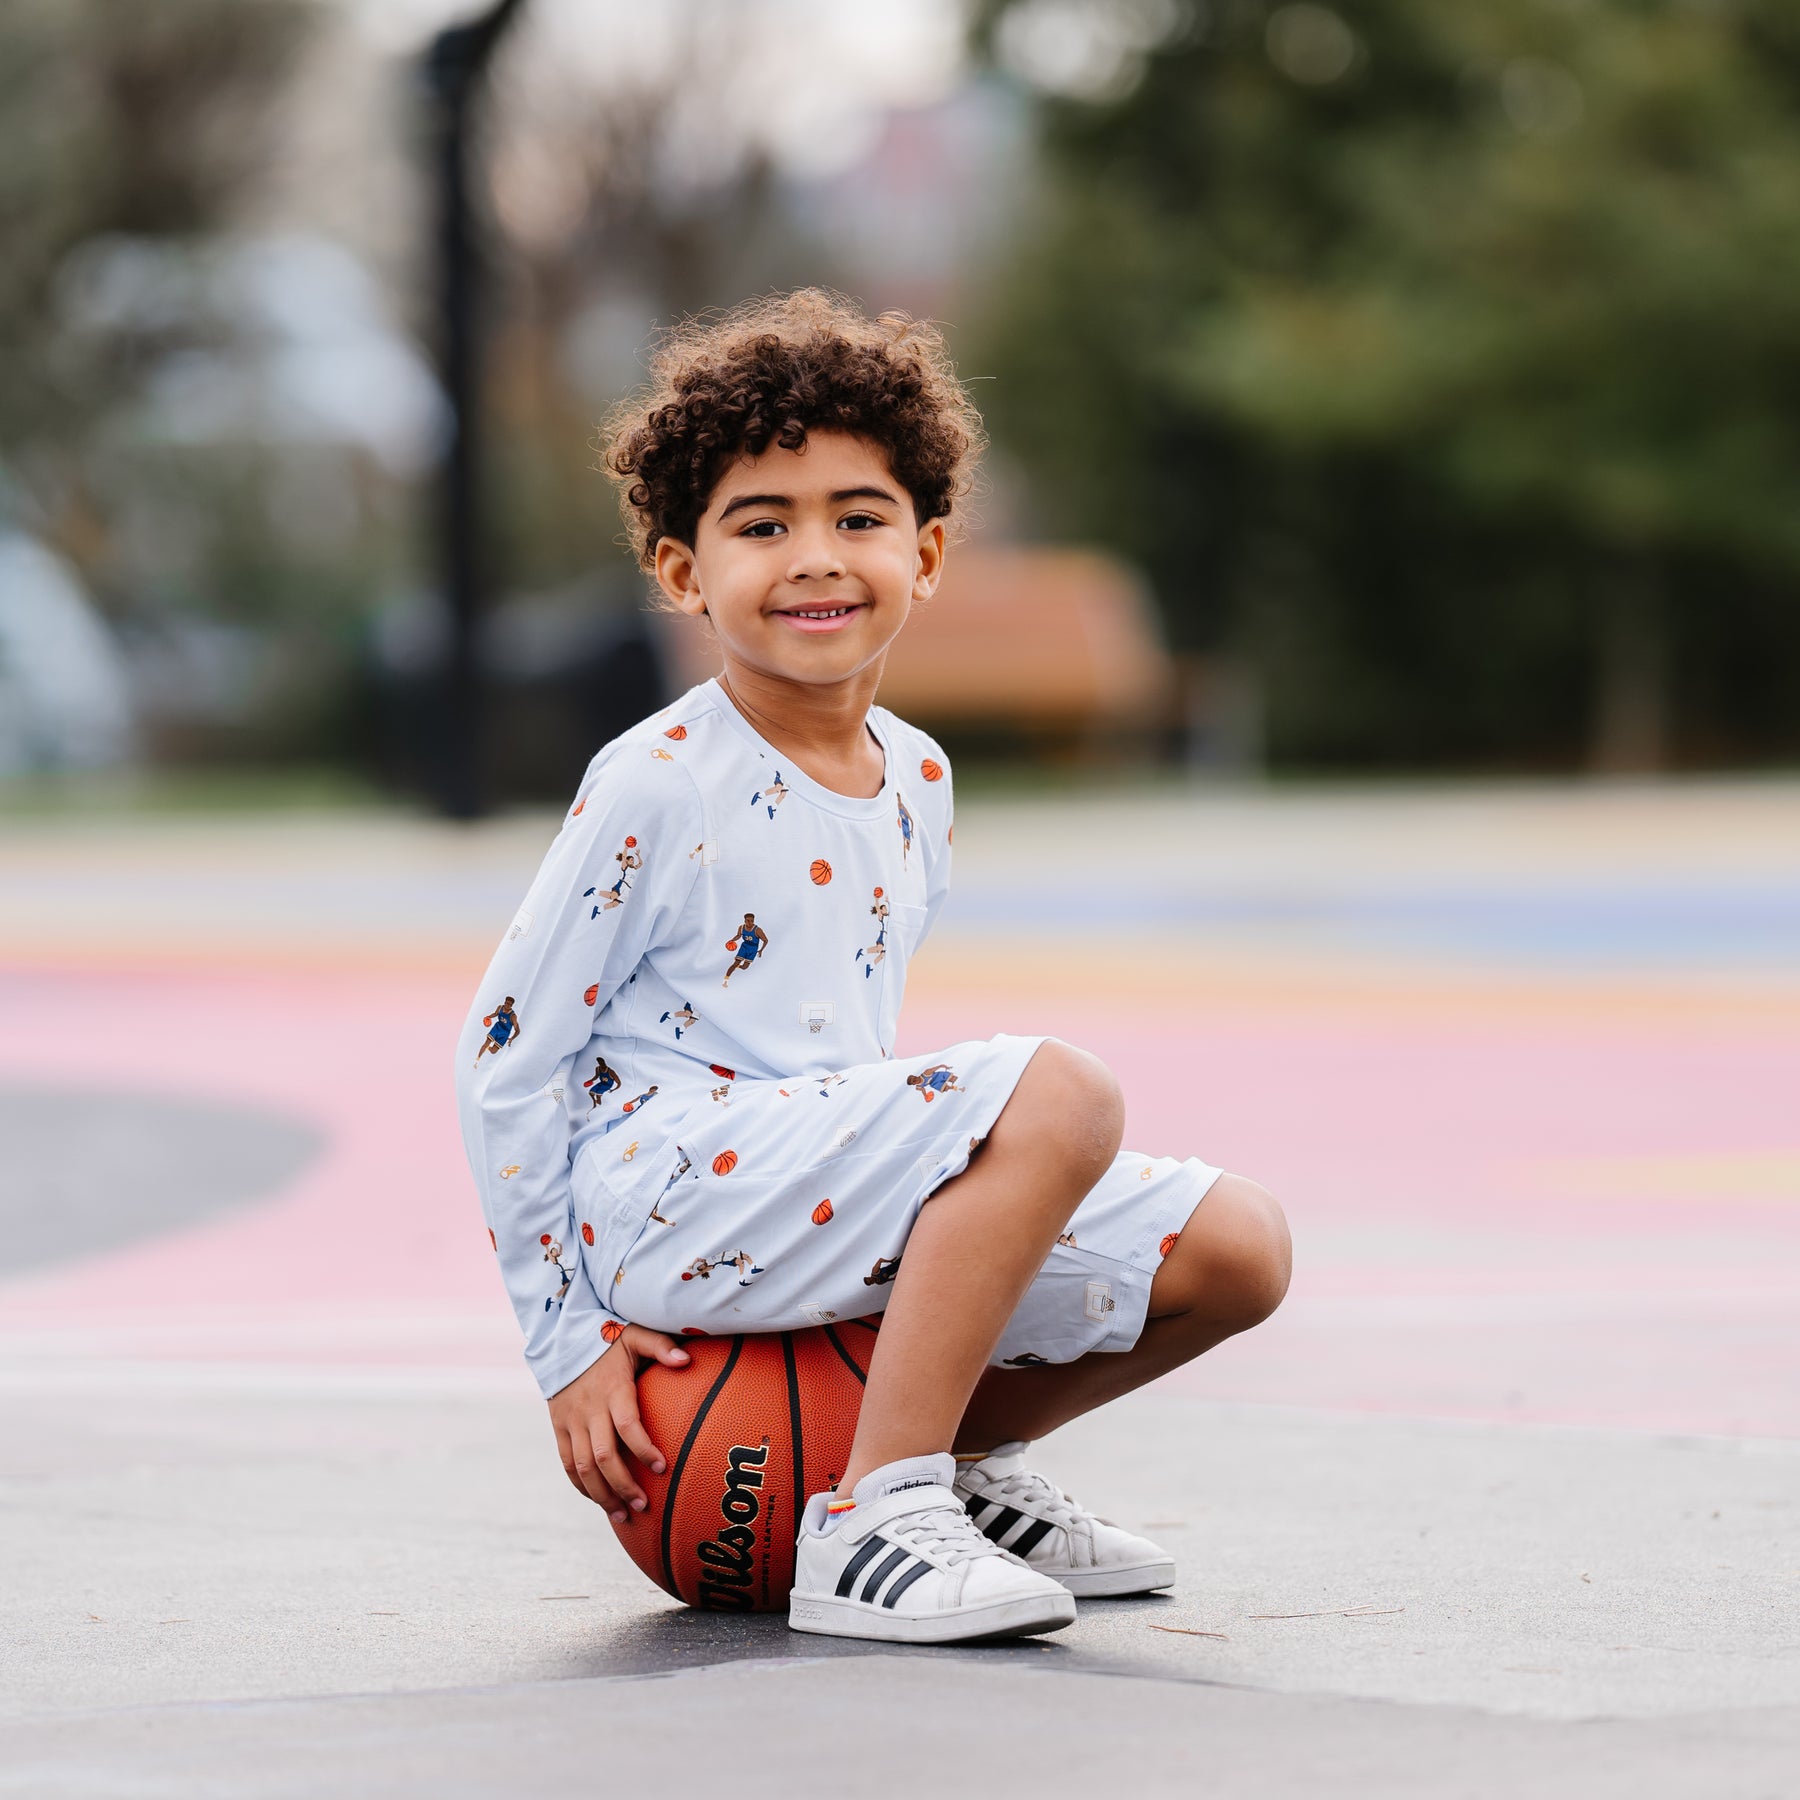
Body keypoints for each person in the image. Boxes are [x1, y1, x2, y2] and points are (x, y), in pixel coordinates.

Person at [455, 290, 1290, 1646]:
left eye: (856, 516)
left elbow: (831, 1043)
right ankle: (874, 1521)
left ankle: (954, 1469)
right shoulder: (657, 783)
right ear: (682, 573)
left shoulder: (919, 776)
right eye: (761, 524)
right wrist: (566, 1347)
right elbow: (505, 1057)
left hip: (815, 1177)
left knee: (1240, 1248)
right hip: (671, 1199)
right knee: (1061, 1097)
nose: (814, 557)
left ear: (930, 550)